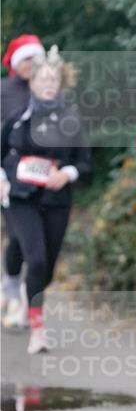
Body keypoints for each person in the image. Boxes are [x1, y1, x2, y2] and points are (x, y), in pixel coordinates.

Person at [0, 46, 91, 354]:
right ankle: (38, 329)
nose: (49, 84)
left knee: (47, 266)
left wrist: (66, 173)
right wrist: (2, 180)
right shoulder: (17, 118)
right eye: (43, 79)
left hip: (56, 200)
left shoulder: (72, 120)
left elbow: (84, 162)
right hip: (21, 197)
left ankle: (32, 293)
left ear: (60, 83)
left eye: (54, 79)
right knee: (35, 258)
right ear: (33, 82)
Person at [1, 34, 46, 328]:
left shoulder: (49, 91)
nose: (32, 65)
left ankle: (16, 289)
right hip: (8, 178)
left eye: (36, 58)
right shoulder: (4, 91)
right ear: (17, 63)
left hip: (43, 180)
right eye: (27, 59)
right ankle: (14, 291)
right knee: (19, 236)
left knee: (34, 243)